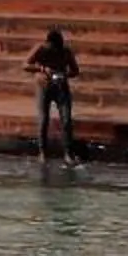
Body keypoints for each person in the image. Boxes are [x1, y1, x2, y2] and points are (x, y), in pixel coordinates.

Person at [26, 28, 82, 166]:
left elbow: (75, 71)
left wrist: (64, 75)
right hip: (44, 86)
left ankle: (68, 154)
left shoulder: (66, 51)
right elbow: (25, 65)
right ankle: (42, 153)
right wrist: (42, 70)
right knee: (43, 120)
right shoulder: (40, 49)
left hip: (61, 87)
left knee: (66, 120)